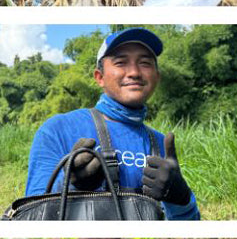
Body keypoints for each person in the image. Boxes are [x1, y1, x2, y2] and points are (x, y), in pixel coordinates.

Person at [24, 28, 199, 220]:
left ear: (157, 76)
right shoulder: (58, 129)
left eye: (145, 63)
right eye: (121, 62)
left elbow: (185, 225)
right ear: (99, 77)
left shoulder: (161, 143)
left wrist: (181, 199)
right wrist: (72, 185)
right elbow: (33, 216)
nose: (134, 72)